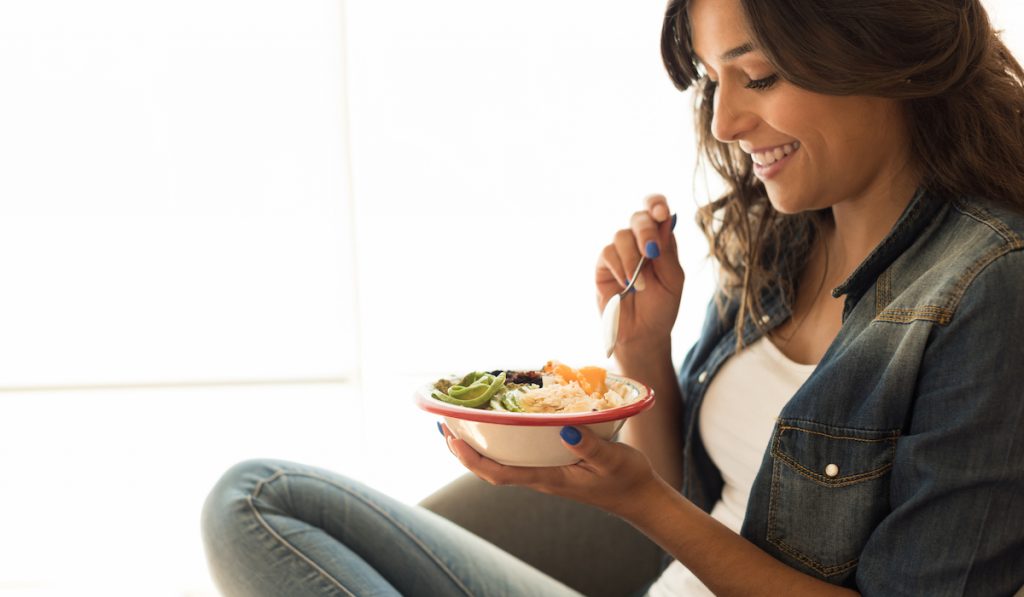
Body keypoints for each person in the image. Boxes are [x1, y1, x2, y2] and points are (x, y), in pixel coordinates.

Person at [201, 0, 1024, 594]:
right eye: (711, 81)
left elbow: (669, 515)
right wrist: (642, 351)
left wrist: (641, 503)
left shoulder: (989, 284)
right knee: (257, 499)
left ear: (879, 51)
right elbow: (697, 502)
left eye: (759, 76)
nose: (728, 121)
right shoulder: (782, 236)